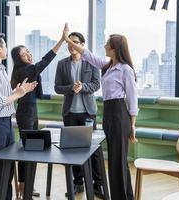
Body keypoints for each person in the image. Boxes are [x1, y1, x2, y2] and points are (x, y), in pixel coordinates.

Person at [63, 24, 138, 200]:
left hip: (119, 114)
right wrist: (67, 40)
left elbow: (133, 98)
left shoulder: (126, 69)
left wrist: (133, 125)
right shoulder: (108, 66)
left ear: (114, 48)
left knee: (117, 161)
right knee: (114, 160)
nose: (104, 46)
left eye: (107, 43)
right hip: (110, 114)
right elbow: (87, 54)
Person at [0, 33, 37, 200]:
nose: (6, 49)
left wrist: (20, 91)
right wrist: (18, 94)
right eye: (4, 46)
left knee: (9, 167)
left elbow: (4, 96)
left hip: (6, 123)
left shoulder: (1, 69)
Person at [10, 26, 65, 198]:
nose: (28, 54)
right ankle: (23, 186)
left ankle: (25, 185)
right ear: (19, 59)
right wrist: (61, 41)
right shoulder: (25, 70)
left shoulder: (28, 70)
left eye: (28, 51)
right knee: (27, 149)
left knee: (31, 149)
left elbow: (37, 92)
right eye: (24, 53)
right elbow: (46, 60)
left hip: (31, 111)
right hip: (26, 112)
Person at [54, 32, 105, 198]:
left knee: (94, 150)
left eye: (74, 42)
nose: (71, 45)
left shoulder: (91, 62)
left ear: (82, 44)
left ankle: (98, 185)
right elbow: (57, 87)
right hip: (70, 114)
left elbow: (97, 84)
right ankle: (78, 183)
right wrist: (71, 88)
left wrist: (83, 87)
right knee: (72, 150)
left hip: (88, 113)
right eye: (69, 43)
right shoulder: (62, 64)